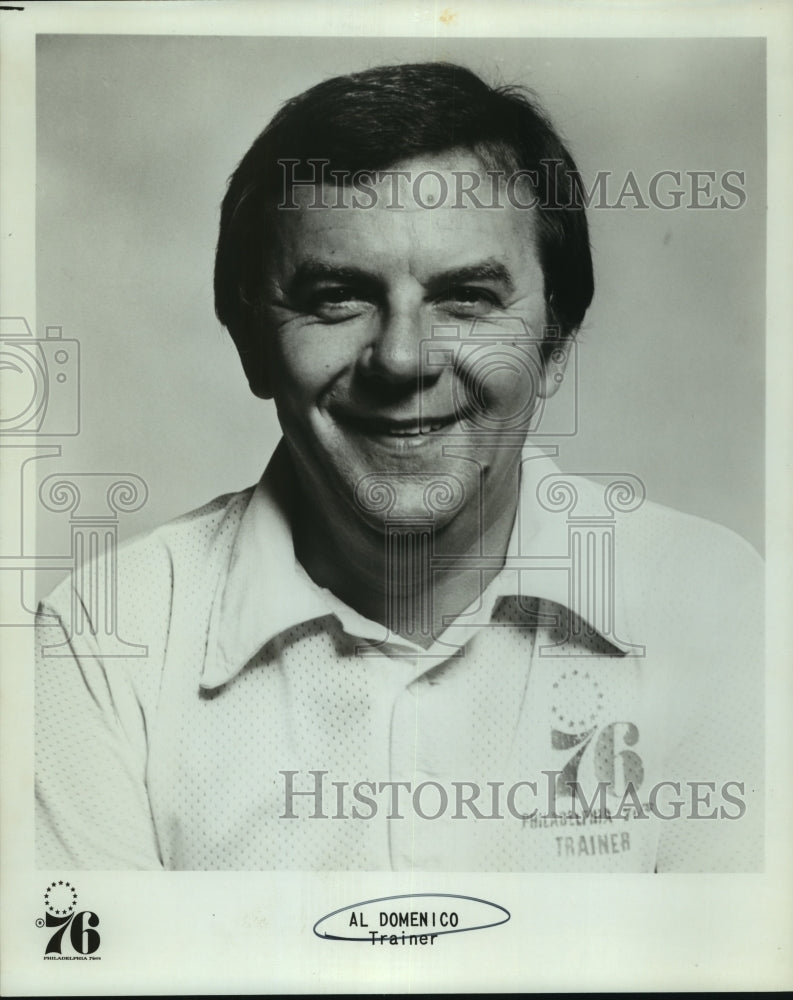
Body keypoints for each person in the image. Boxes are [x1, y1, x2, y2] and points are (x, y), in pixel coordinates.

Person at [35, 62, 763, 872]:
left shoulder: (714, 606)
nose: (403, 358)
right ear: (251, 344)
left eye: (467, 298)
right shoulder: (102, 642)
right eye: (338, 296)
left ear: (553, 344)